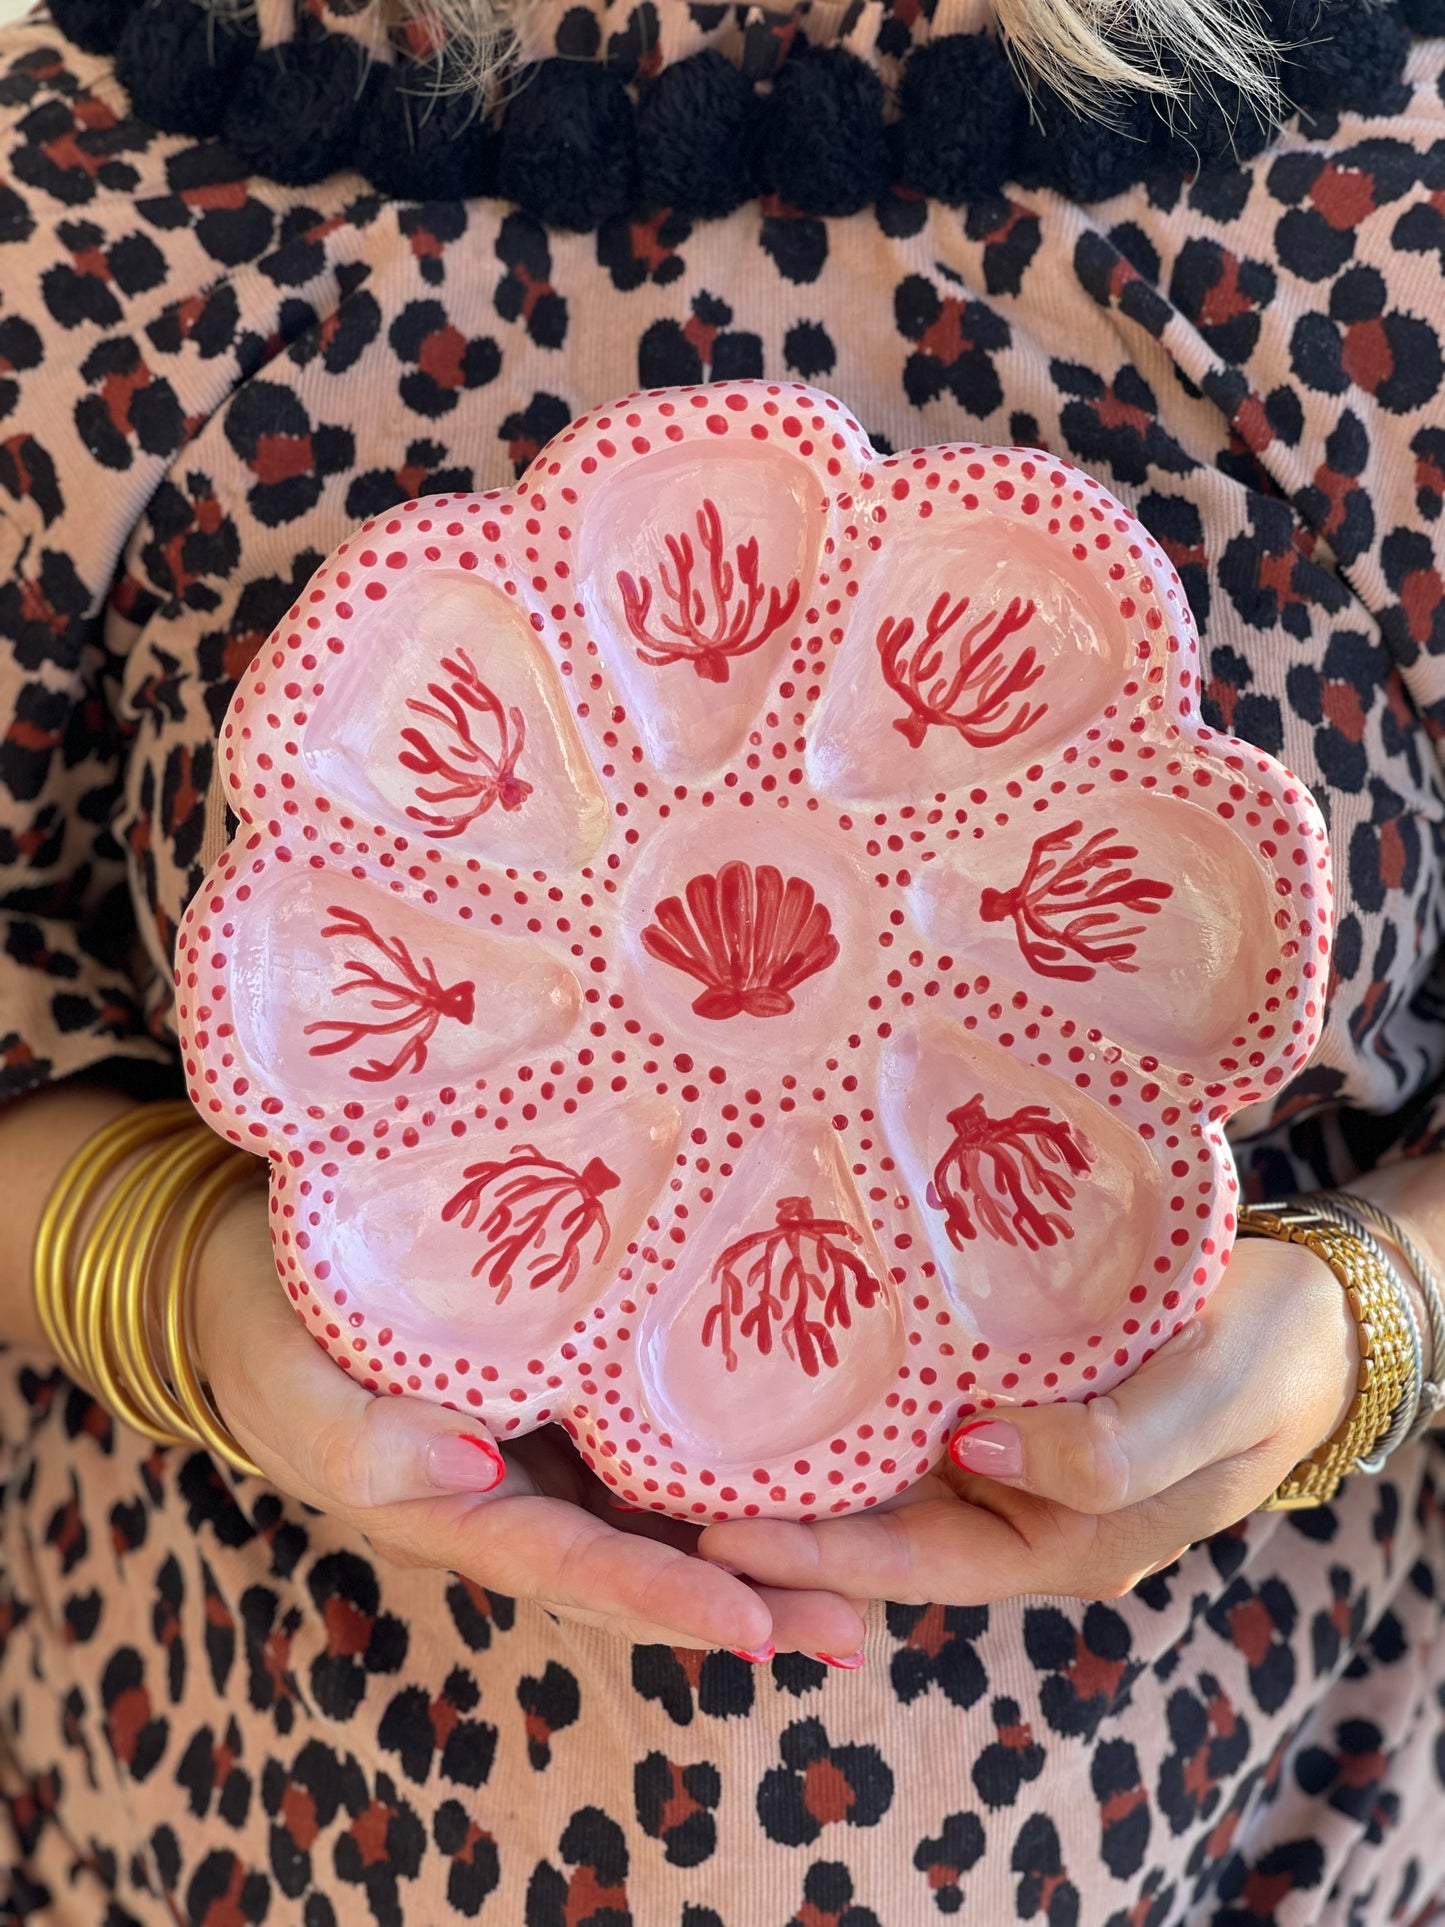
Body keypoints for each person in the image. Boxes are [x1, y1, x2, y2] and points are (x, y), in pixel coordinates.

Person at [0, 0, 1442, 1916]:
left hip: (1257, 1836)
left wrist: (1362, 1321)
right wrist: (174, 1285)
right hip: (235, 1829)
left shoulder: (1385, 184)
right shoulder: (89, 193)